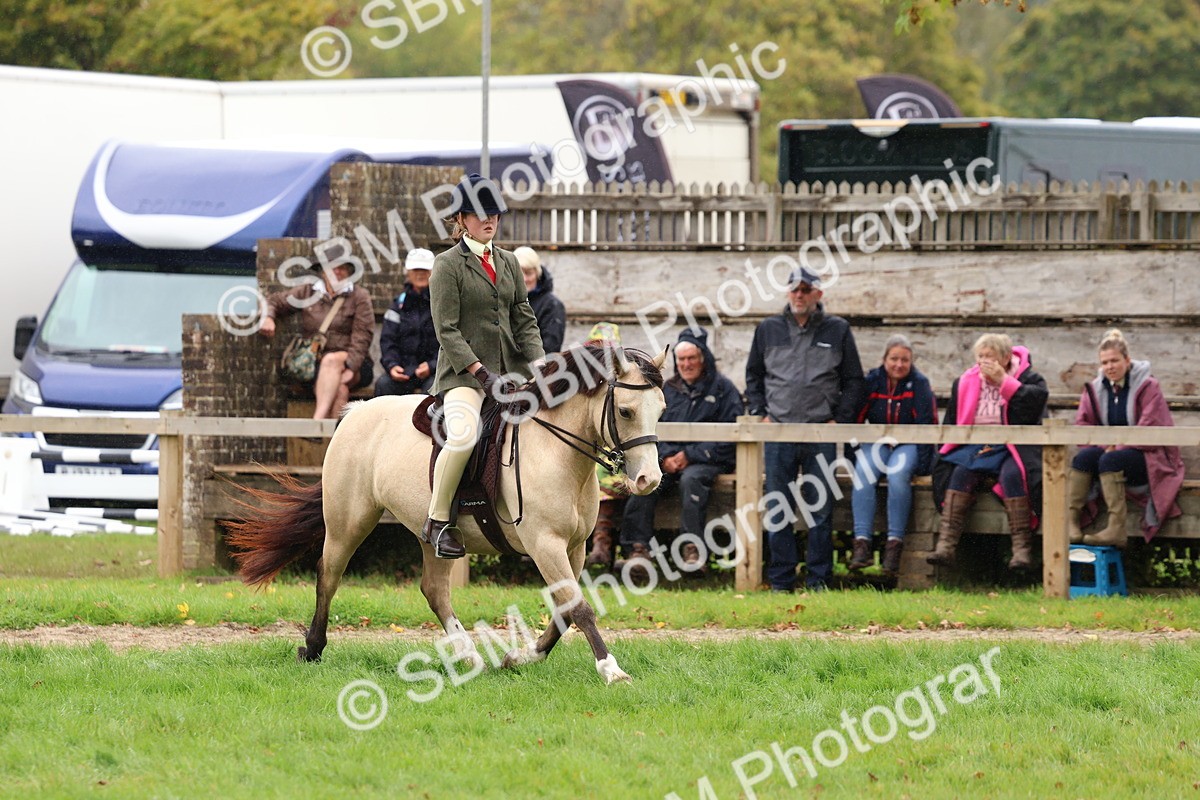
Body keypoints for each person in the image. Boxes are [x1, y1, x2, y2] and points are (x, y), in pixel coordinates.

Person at [422, 173, 545, 559]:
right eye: (479, 214)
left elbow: (524, 319)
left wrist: (542, 365)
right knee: (462, 436)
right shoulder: (447, 265)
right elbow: (446, 329)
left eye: (494, 213)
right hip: (464, 376)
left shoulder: (508, 262)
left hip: (513, 372)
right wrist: (479, 373)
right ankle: (438, 521)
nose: (489, 220)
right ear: (461, 219)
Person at [746, 267, 865, 592]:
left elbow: (854, 380)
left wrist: (838, 420)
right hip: (779, 434)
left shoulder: (837, 329)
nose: (799, 295)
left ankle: (819, 581)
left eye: (805, 289)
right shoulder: (768, 328)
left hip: (820, 435)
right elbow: (753, 376)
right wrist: (761, 413)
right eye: (794, 289)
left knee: (820, 510)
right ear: (787, 293)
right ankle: (782, 581)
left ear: (818, 294)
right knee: (778, 508)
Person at [613, 327, 743, 579]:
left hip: (709, 461)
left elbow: (729, 437)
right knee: (646, 479)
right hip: (668, 459)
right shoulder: (667, 390)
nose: (686, 364)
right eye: (681, 359)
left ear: (703, 358)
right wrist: (669, 457)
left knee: (692, 479)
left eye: (691, 358)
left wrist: (691, 455)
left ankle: (692, 549)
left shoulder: (723, 390)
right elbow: (651, 428)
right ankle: (637, 550)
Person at [929, 333, 1049, 571]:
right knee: (960, 473)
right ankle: (946, 546)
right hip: (976, 445)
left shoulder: (1028, 378)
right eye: (981, 356)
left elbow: (1031, 410)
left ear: (1005, 358)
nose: (984, 362)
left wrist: (1004, 382)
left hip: (1014, 445)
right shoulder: (965, 381)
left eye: (990, 357)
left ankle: (1022, 551)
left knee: (1014, 475)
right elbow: (953, 420)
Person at [1068, 329, 1185, 547]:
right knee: (1083, 458)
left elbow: (1150, 427)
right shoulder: (1095, 388)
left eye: (1114, 360)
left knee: (1109, 460)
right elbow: (1082, 425)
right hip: (1110, 451)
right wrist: (1107, 446)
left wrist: (1118, 447)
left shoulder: (1149, 386)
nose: (1110, 366)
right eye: (1105, 362)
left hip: (1146, 455)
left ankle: (1116, 529)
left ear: (1127, 360)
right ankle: (1071, 522)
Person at [848, 335, 937, 577]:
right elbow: (856, 417)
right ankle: (861, 544)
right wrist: (852, 454)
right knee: (864, 472)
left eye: (904, 360)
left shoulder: (919, 384)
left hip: (907, 444)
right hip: (876, 441)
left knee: (898, 475)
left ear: (911, 362)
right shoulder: (873, 381)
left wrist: (925, 464)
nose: (899, 365)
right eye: (894, 359)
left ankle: (894, 545)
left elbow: (926, 423)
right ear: (884, 359)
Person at [260, 249, 374, 420]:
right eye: (332, 267)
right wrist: (268, 317)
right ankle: (333, 443)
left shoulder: (359, 296)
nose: (337, 272)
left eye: (342, 268)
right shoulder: (308, 292)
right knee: (341, 390)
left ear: (348, 272)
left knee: (332, 360)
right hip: (314, 364)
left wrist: (351, 366)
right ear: (322, 271)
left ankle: (317, 421)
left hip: (354, 363)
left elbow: (363, 335)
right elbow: (274, 300)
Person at [582, 322, 628, 570]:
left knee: (607, 468)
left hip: (614, 450)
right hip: (581, 450)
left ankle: (601, 542)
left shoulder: (623, 382)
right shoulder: (578, 383)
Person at [374, 248, 439, 397]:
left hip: (434, 373)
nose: (420, 273)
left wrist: (431, 366)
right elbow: (388, 341)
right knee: (383, 385)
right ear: (408, 273)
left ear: (433, 272)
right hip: (404, 372)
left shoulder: (443, 303)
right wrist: (392, 366)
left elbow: (450, 343)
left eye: (425, 269)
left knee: (435, 390)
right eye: (416, 269)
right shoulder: (398, 305)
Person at [515, 246, 566, 354]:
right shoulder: (503, 300)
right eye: (519, 274)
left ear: (537, 274)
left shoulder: (552, 305)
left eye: (528, 273)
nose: (524, 279)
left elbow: (550, 349)